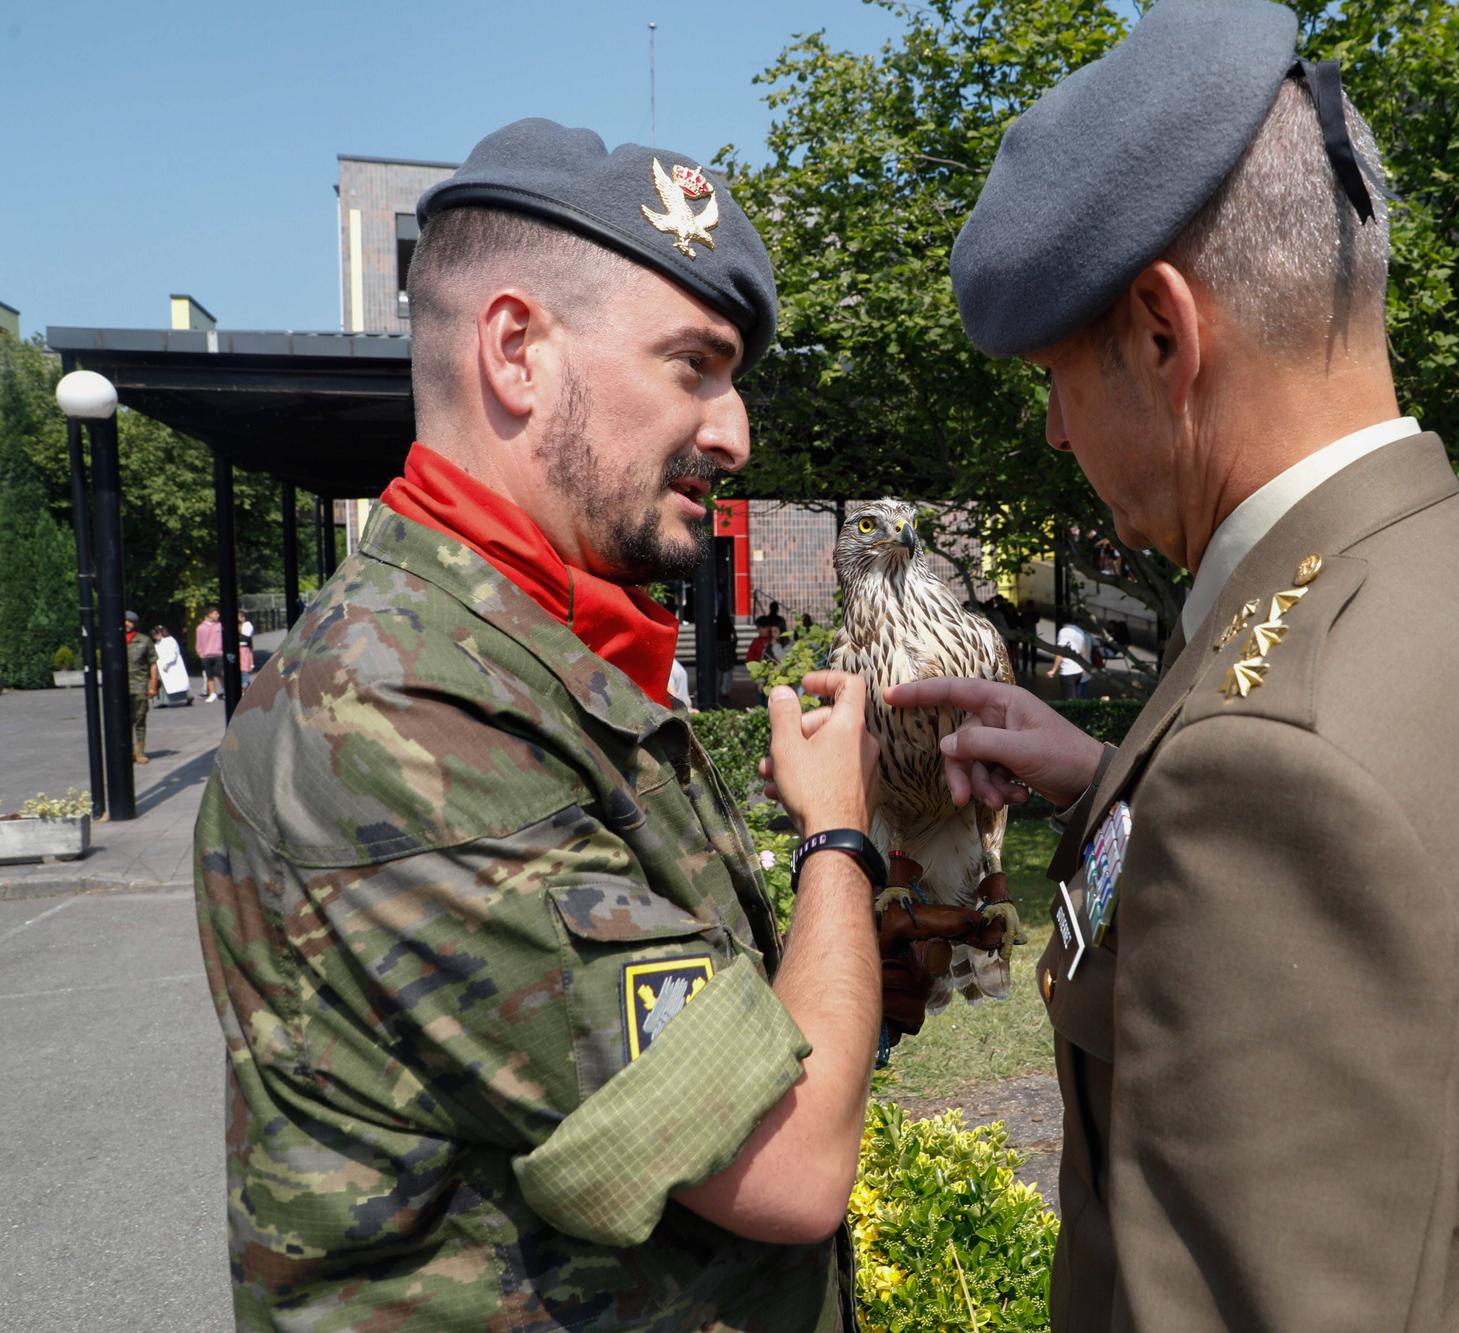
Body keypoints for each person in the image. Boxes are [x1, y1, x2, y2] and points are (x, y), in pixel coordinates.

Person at [889, 2, 1459, 1327]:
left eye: (1055, 375)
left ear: (1166, 336)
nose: (1055, 433)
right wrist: (1109, 781)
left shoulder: (1281, 771)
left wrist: (1198, 795)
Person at [190, 118, 979, 1328]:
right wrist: (836, 837)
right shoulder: (403, 715)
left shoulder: (517, 656)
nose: (733, 431)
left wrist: (877, 940)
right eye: (692, 365)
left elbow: (687, 1034)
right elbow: (793, 1161)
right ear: (516, 349)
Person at [124, 610, 156, 763]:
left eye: (130, 621)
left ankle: (140, 752)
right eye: (124, 620)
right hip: (120, 689)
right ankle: (127, 752)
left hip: (139, 686)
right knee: (123, 722)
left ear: (134, 623)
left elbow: (153, 664)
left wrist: (153, 686)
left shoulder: (144, 640)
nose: (126, 623)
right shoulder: (115, 639)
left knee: (140, 719)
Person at [1046, 618, 1093, 699]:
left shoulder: (1064, 631)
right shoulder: (1079, 631)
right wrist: (1084, 667)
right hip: (1078, 670)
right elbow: (1083, 651)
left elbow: (1061, 652)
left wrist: (1053, 670)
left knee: (1069, 698)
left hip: (1067, 670)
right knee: (1077, 697)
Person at [152, 622, 191, 706]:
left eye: (156, 634)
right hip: (162, 667)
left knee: (178, 683)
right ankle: (162, 701)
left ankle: (188, 697)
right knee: (163, 684)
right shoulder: (157, 643)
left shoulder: (170, 640)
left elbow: (174, 653)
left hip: (173, 666)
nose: (155, 637)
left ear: (161, 633)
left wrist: (168, 663)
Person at [194, 606, 223, 701]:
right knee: (209, 675)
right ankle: (212, 693)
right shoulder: (200, 628)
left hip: (219, 654)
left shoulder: (220, 626)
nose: (218, 615)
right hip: (206, 655)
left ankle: (226, 690)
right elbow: (198, 643)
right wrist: (201, 654)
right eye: (215, 613)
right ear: (209, 614)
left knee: (220, 673)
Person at [237, 613, 255, 680]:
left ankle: (245, 685)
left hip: (244, 649)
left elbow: (250, 650)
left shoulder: (247, 625)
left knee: (244, 671)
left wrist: (251, 664)